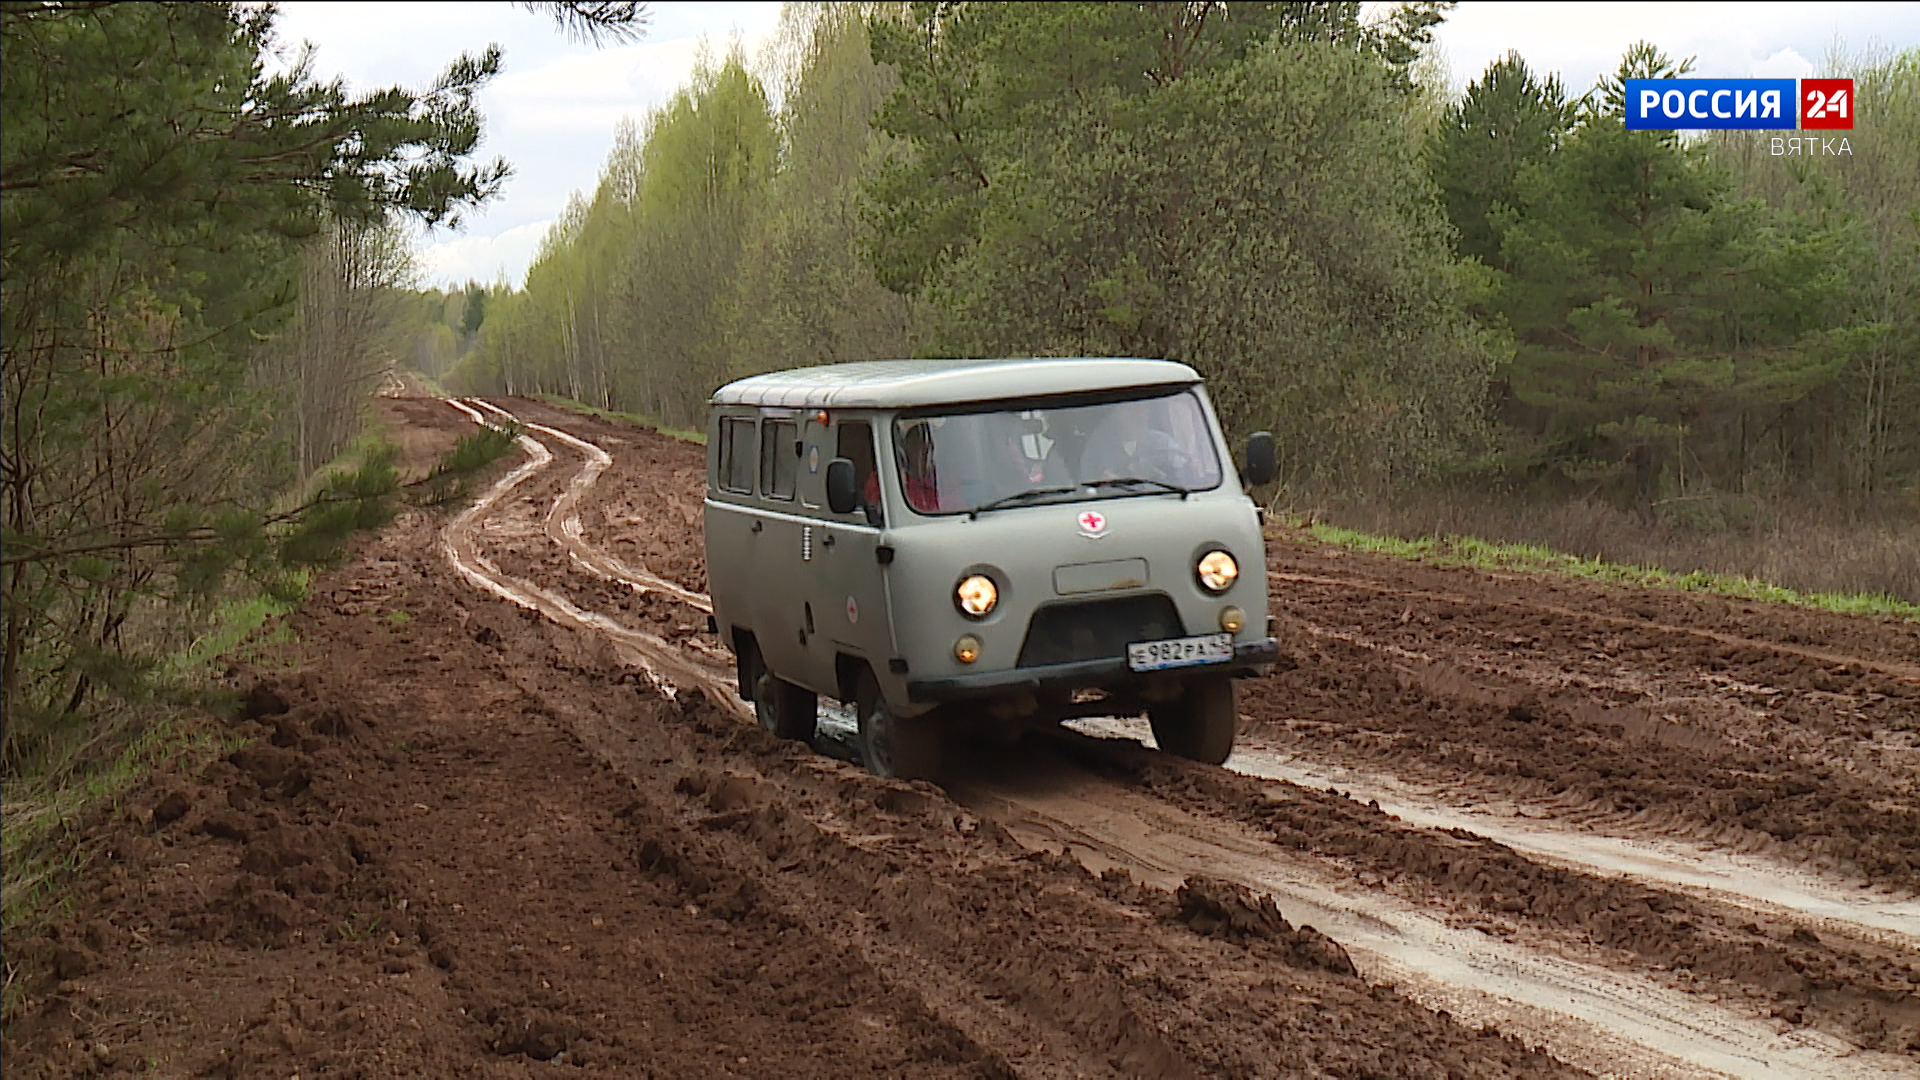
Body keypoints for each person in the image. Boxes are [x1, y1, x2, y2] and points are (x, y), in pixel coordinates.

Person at [1079, 397, 1193, 484]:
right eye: (1130, 410)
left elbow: (1182, 473)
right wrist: (1103, 483)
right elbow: (1087, 484)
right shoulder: (1097, 447)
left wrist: (1189, 468)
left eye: (1143, 409)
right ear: (1116, 415)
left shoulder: (1162, 442)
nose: (1139, 415)